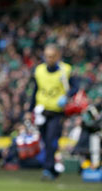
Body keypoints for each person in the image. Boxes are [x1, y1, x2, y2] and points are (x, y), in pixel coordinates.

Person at [26, 44, 78, 181]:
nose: (49, 59)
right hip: (41, 111)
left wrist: (66, 96)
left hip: (57, 112)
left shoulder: (65, 70)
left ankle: (48, 169)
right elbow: (35, 90)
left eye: (51, 56)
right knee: (45, 141)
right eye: (47, 56)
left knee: (51, 140)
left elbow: (75, 87)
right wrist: (29, 110)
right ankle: (53, 168)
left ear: (57, 56)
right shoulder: (39, 70)